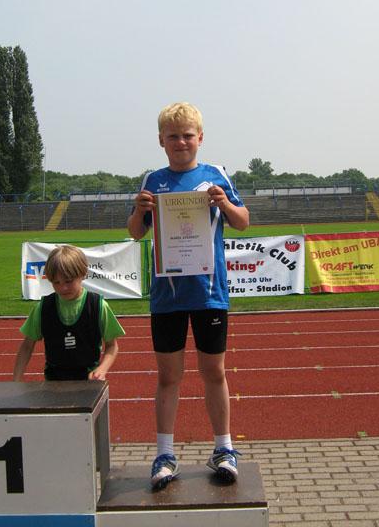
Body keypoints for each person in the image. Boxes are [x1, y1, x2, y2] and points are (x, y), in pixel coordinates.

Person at [127, 102, 249, 490]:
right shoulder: (153, 180)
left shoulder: (216, 175)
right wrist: (139, 211)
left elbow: (243, 222)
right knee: (168, 376)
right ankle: (164, 454)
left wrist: (224, 203)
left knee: (215, 372)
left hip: (209, 293)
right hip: (168, 296)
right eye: (173, 136)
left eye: (187, 135)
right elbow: (136, 232)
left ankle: (224, 449)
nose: (181, 142)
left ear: (200, 138)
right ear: (161, 140)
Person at [13, 244, 125, 381]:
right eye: (56, 282)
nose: (63, 288)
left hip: (88, 382)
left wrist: (101, 369)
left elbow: (112, 345)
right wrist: (16, 380)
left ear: (83, 274)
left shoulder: (98, 306)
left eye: (68, 281)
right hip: (54, 384)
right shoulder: (43, 308)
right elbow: (27, 346)